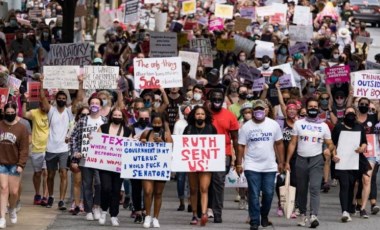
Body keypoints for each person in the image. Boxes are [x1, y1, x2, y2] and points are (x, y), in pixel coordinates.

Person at [285, 98, 336, 228]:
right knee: (302, 189)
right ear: (306, 108)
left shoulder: (323, 125)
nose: (313, 108)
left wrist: (327, 149)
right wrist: (287, 161)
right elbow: (292, 143)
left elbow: (330, 143)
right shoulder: (298, 123)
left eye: (315, 106)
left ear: (318, 108)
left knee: (314, 188)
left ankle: (313, 215)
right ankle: (302, 214)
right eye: (310, 106)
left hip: (316, 160)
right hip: (301, 159)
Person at [236, 100, 285, 230]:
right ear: (252, 111)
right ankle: (254, 220)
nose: (258, 111)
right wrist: (239, 163)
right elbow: (241, 146)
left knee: (269, 193)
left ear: (265, 110)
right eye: (256, 109)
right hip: (252, 165)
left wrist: (281, 162)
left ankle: (264, 215)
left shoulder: (273, 125)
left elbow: (279, 143)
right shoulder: (246, 127)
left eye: (261, 109)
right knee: (253, 193)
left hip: (269, 165)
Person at [70, 96, 107, 220]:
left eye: (97, 103)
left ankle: (96, 206)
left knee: (99, 183)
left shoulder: (105, 121)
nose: (94, 105)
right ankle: (88, 210)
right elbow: (73, 136)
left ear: (101, 106)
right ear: (89, 105)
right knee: (86, 184)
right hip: (85, 158)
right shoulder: (83, 120)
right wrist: (75, 152)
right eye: (92, 103)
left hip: (101, 159)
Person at [331, 107, 369, 222]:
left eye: (352, 113)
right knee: (344, 185)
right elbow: (332, 143)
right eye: (348, 113)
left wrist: (362, 148)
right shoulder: (338, 127)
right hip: (341, 161)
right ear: (344, 114)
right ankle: (344, 211)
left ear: (355, 114)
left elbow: (364, 142)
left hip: (354, 161)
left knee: (352, 186)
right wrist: (334, 155)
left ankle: (349, 207)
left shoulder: (359, 127)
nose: (350, 115)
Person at [207, 88, 239, 223]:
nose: (217, 101)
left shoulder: (230, 115)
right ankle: (206, 208)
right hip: (205, 153)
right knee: (205, 183)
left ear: (223, 100)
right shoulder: (204, 114)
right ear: (210, 100)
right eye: (214, 99)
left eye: (219, 99)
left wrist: (237, 159)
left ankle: (217, 212)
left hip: (223, 153)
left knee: (218, 182)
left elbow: (235, 139)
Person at [184, 105, 217, 226]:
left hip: (206, 164)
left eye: (202, 114)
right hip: (192, 164)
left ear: (206, 116)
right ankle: (194, 214)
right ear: (194, 115)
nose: (200, 116)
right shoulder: (188, 129)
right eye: (198, 114)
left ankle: (203, 213)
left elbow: (215, 146)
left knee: (204, 188)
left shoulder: (211, 128)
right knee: (193, 189)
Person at [98, 107, 131, 226]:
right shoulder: (103, 128)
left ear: (123, 117)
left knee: (116, 191)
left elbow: (130, 146)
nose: (117, 117)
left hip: (119, 166)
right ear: (111, 116)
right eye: (115, 115)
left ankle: (114, 215)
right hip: (105, 165)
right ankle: (103, 211)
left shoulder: (127, 131)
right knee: (106, 188)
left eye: (119, 115)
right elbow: (97, 141)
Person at [140, 112, 173, 228]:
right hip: (147, 167)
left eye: (159, 123)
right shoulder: (146, 132)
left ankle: (156, 218)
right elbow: (137, 148)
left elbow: (171, 150)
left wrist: (162, 143)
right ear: (151, 122)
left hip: (161, 168)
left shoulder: (167, 134)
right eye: (154, 122)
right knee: (148, 191)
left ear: (162, 123)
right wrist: (142, 142)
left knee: (158, 193)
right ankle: (147, 216)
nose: (157, 124)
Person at [0, 102, 29, 228]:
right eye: (8, 113)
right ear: (4, 112)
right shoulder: (0, 125)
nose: (10, 115)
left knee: (14, 191)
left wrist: (21, 164)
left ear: (16, 112)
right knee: (3, 188)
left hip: (14, 164)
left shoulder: (22, 128)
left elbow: (24, 149)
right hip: (1, 163)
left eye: (12, 113)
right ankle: (2, 217)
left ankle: (12, 208)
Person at [21, 98, 49, 206]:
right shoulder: (34, 113)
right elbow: (23, 114)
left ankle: (45, 196)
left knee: (46, 172)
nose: (43, 106)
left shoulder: (51, 113)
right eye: (41, 104)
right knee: (38, 173)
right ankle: (37, 194)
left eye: (45, 104)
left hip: (48, 148)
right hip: (36, 148)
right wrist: (24, 101)